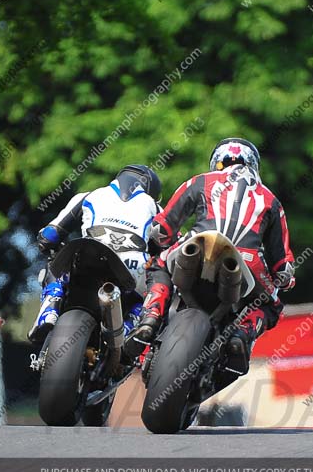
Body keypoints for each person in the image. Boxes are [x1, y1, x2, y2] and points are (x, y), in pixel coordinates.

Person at [124, 138, 295, 374]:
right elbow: (283, 266)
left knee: (158, 264)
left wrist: (157, 244)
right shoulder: (270, 199)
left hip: (198, 242)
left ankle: (151, 316)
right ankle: (242, 333)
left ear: (217, 161)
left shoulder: (200, 181)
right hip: (248, 261)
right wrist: (282, 281)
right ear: (253, 165)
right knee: (272, 304)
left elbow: (162, 229)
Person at [28, 164, 162, 343]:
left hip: (88, 251)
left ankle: (51, 304)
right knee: (145, 297)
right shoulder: (157, 209)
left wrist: (45, 243)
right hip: (132, 267)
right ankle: (131, 327)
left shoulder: (89, 195)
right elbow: (171, 249)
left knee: (56, 264)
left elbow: (50, 235)